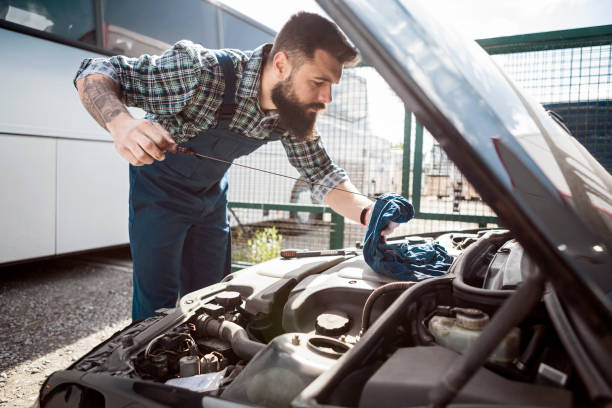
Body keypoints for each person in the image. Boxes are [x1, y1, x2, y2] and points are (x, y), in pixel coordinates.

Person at [74, 12, 397, 321]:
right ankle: (141, 369)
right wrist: (122, 124)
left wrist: (370, 214)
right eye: (318, 82)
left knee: (214, 296)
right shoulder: (200, 72)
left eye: (332, 87)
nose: (326, 98)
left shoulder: (292, 116)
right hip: (159, 194)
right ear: (282, 64)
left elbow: (323, 175)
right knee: (156, 303)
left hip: (211, 199)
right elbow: (95, 70)